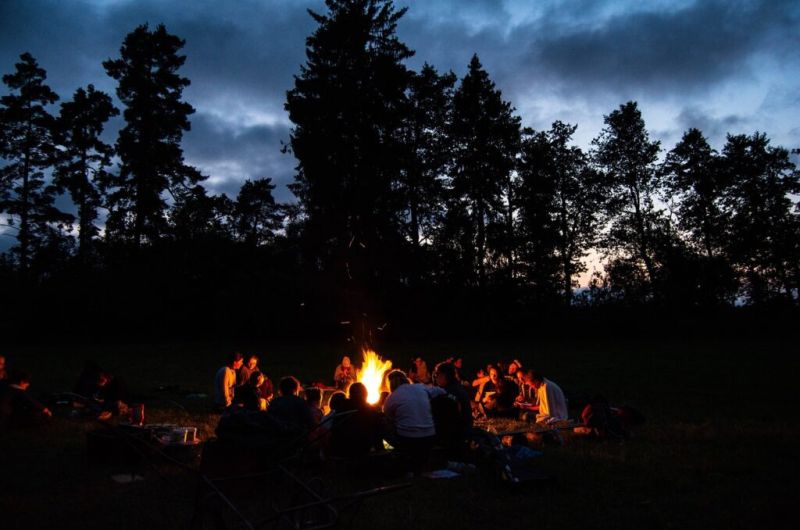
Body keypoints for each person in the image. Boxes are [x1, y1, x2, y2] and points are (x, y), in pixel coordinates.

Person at [382, 369, 445, 475]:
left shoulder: (391, 398)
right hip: (429, 436)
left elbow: (387, 416)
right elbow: (441, 391)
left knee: (383, 423)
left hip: (407, 439)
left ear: (390, 383)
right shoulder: (420, 387)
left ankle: (397, 454)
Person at [328, 382, 384, 458]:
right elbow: (378, 437)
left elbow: (334, 431)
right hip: (362, 451)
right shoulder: (371, 411)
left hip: (341, 451)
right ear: (366, 395)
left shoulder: (341, 408)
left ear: (350, 395)